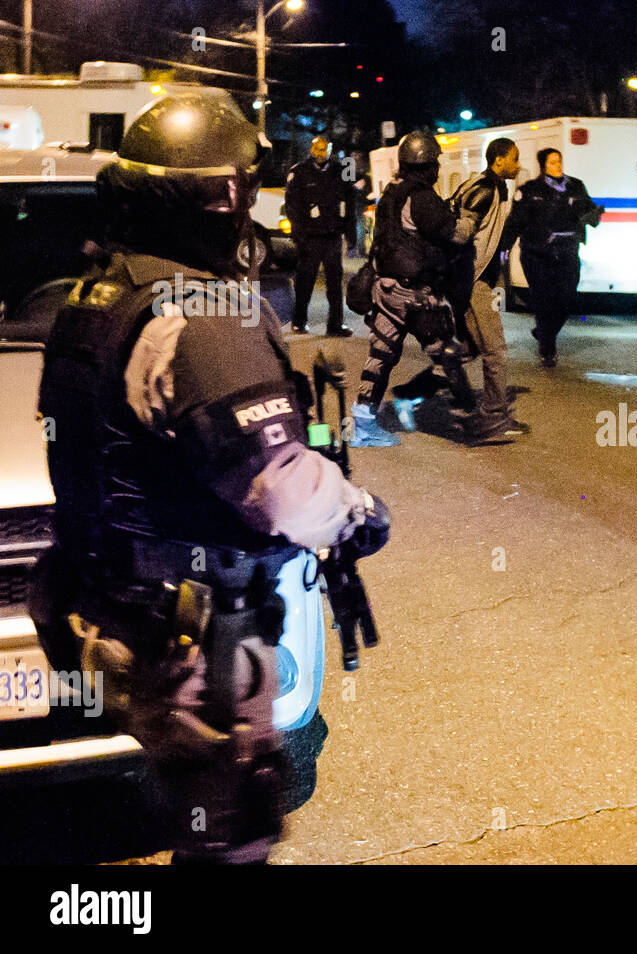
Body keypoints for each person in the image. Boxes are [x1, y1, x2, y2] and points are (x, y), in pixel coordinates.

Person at [32, 94, 390, 864]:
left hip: (116, 609)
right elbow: (279, 488)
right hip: (194, 639)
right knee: (233, 825)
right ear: (222, 197)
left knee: (198, 808)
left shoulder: (94, 297)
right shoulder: (198, 314)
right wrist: (358, 510)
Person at [352, 130, 475, 447]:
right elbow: (455, 234)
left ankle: (362, 424)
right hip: (415, 294)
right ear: (426, 165)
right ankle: (471, 420)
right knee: (447, 354)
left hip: (387, 288)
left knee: (380, 356)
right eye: (435, 162)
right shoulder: (421, 196)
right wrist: (468, 216)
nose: (437, 169)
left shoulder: (392, 192)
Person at [447, 138, 529, 444]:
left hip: (481, 279)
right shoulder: (486, 189)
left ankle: (441, 373)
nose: (517, 165)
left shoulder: (492, 186)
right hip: (475, 280)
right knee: (497, 351)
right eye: (514, 158)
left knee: (472, 347)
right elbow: (461, 230)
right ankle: (493, 415)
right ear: (499, 160)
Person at [509, 148, 603, 366]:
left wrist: (592, 215)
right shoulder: (531, 190)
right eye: (552, 162)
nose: (557, 166)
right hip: (537, 254)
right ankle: (547, 348)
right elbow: (516, 222)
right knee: (544, 300)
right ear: (544, 166)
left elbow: (589, 210)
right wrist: (504, 249)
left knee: (567, 299)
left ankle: (543, 330)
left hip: (567, 251)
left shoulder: (575, 186)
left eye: (559, 161)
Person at [285, 136, 355, 336]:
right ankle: (299, 321)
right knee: (305, 281)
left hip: (332, 236)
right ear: (312, 150)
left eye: (324, 150)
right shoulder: (298, 172)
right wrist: (300, 235)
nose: (321, 155)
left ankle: (335, 324)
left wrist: (350, 234)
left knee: (335, 283)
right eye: (318, 150)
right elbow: (292, 206)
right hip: (310, 238)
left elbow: (350, 203)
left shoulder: (340, 171)